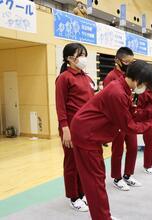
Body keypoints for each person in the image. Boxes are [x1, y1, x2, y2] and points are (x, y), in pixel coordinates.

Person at [70, 60, 152, 220]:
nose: (146, 88)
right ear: (138, 79)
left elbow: (131, 113)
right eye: (146, 84)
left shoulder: (123, 88)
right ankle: (102, 217)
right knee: (95, 179)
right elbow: (129, 126)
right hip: (86, 133)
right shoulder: (117, 92)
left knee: (97, 177)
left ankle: (102, 215)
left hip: (90, 132)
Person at [55, 43, 93, 212]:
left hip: (86, 126)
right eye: (80, 55)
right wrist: (65, 129)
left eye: (84, 54)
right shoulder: (64, 78)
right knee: (72, 161)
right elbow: (60, 105)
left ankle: (82, 192)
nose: (83, 58)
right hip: (70, 127)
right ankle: (73, 196)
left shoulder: (86, 77)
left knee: (83, 162)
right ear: (69, 58)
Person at [103, 47, 140, 191]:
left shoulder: (130, 75)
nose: (130, 64)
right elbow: (108, 101)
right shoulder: (111, 77)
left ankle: (128, 174)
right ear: (117, 61)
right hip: (117, 119)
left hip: (129, 117)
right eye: (127, 62)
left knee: (133, 147)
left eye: (132, 62)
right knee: (117, 149)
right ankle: (117, 177)